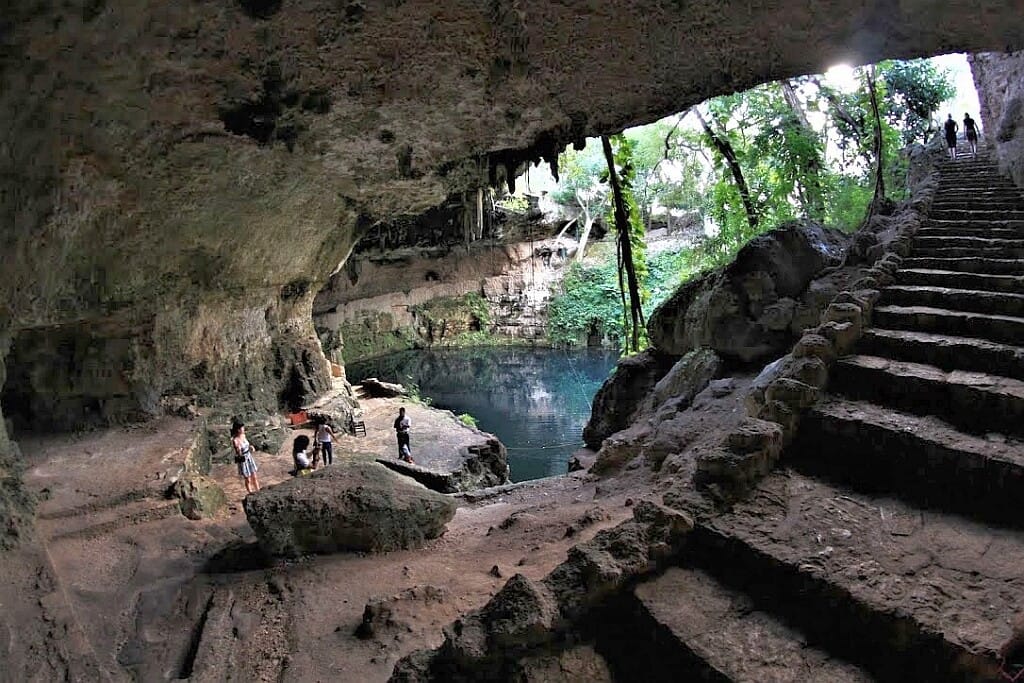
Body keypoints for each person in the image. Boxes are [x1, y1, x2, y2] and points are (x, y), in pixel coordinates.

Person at [231, 420, 260, 494]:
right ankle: (250, 492)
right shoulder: (235, 440)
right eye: (242, 428)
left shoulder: (244, 435)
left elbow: (247, 445)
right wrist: (238, 449)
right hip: (243, 460)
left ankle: (258, 490)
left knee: (254, 475)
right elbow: (238, 453)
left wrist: (251, 447)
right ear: (238, 430)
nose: (244, 429)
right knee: (248, 479)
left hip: (249, 457)